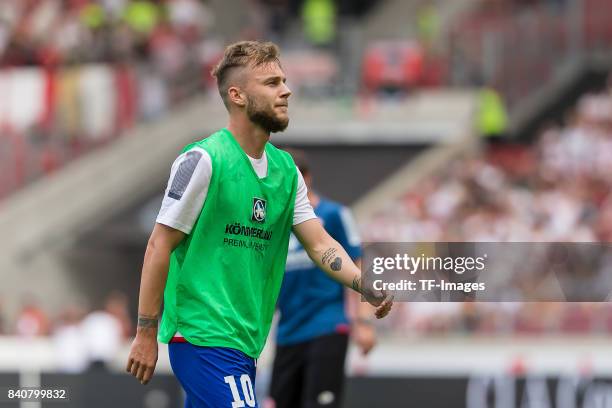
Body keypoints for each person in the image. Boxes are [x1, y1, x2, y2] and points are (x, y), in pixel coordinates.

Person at [126, 40, 393, 408]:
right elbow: (159, 245)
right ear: (237, 95)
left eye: (283, 81)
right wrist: (145, 332)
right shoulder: (204, 160)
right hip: (202, 335)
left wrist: (361, 283)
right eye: (271, 83)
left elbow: (319, 243)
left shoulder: (286, 171)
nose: (286, 91)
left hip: (245, 341)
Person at [269, 149, 376, 408]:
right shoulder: (274, 222)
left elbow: (356, 265)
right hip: (287, 332)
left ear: (306, 179)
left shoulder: (335, 215)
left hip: (327, 326)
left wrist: (362, 322)